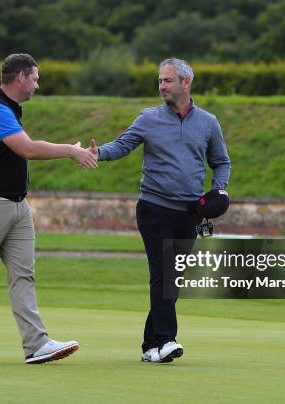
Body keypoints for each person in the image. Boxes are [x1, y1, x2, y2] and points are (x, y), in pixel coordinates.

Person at [0, 53, 97, 364]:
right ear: (21, 77)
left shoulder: (9, 109)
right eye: (35, 78)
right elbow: (27, 148)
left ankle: (36, 344)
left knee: (24, 275)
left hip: (17, 208)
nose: (37, 85)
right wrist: (70, 151)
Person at [89, 58, 231, 363]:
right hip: (154, 209)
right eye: (159, 81)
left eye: (167, 81)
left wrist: (219, 189)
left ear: (185, 83)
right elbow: (122, 145)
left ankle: (150, 345)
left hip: (190, 212)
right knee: (164, 274)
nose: (161, 86)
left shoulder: (208, 122)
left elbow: (221, 161)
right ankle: (167, 339)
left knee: (173, 278)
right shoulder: (148, 118)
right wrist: (98, 153)